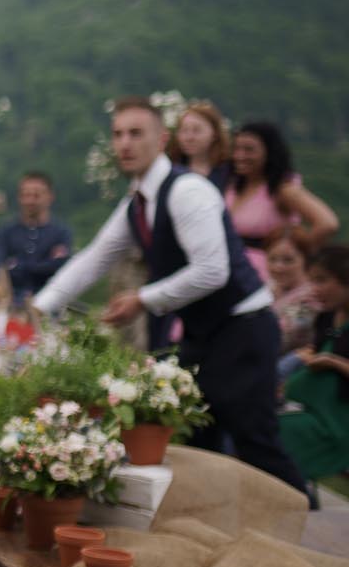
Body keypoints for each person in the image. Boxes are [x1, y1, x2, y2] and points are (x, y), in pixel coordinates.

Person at [34, 97, 305, 493]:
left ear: (162, 140)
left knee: (256, 444)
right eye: (117, 134)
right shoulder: (137, 204)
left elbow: (213, 271)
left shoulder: (187, 191)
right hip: (204, 336)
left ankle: (311, 521)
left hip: (244, 330)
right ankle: (211, 540)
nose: (124, 143)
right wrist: (41, 306)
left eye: (135, 133)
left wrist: (143, 298)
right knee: (196, 446)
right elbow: (96, 257)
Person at [226, 121, 338, 283]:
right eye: (236, 149)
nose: (240, 156)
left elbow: (327, 223)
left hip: (265, 275)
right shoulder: (233, 186)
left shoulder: (283, 189)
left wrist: (296, 252)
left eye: (249, 150)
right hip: (230, 270)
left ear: (269, 152)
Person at [279, 246, 349, 481]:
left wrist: (334, 363)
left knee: (275, 434)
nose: (314, 289)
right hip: (311, 412)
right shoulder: (327, 317)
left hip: (337, 423)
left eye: (322, 280)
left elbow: (329, 361)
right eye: (312, 281)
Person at [0, 172, 75, 308]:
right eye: (25, 195)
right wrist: (39, 266)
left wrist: (18, 266)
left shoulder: (61, 233)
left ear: (50, 197)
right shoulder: (6, 231)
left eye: (36, 195)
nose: (29, 201)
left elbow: (58, 266)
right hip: (11, 302)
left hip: (49, 300)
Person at [265, 228, 321, 356]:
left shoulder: (311, 298)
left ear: (305, 259)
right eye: (272, 259)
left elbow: (288, 339)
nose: (278, 267)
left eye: (288, 260)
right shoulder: (268, 286)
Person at [169, 101, 232, 190]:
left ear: (215, 134)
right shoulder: (170, 171)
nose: (189, 138)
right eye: (184, 130)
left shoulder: (229, 172)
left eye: (197, 130)